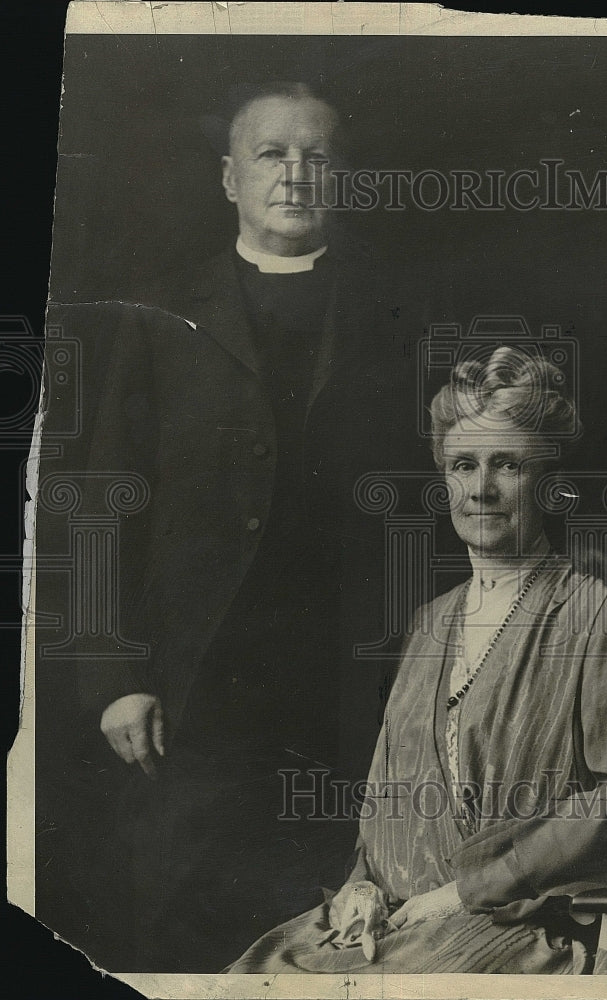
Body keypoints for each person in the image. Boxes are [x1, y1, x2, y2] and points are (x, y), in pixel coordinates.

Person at [36, 81, 424, 971]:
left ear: (344, 177)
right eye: (270, 155)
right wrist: (112, 676)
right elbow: (98, 503)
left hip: (355, 679)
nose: (295, 175)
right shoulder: (157, 317)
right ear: (228, 178)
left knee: (350, 921)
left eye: (316, 156)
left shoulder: (396, 315)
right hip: (197, 682)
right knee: (190, 911)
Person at [226, 346, 607, 975]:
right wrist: (362, 888)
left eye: (508, 465)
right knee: (261, 971)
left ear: (550, 482)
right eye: (463, 465)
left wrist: (459, 894)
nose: (481, 488)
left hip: (529, 923)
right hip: (396, 919)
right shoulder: (430, 623)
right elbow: (386, 803)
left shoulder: (606, 612)